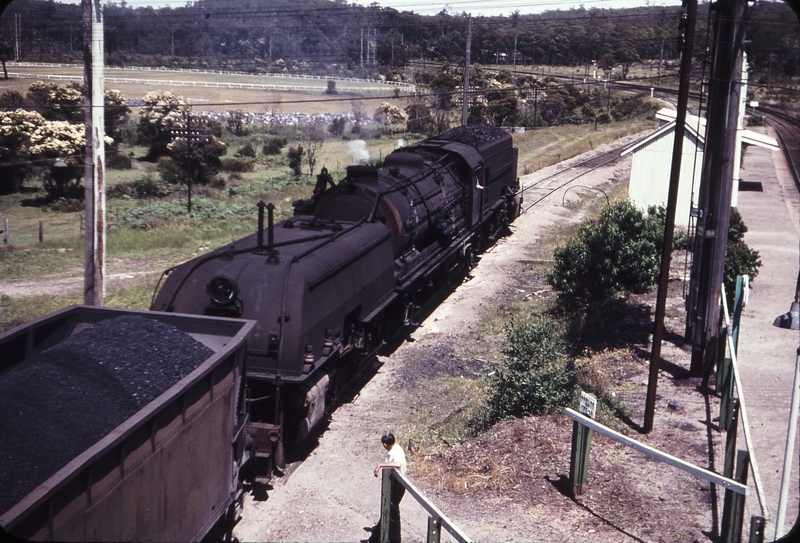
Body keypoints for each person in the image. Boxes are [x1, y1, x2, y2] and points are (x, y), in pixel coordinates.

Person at [365, 432, 406, 543]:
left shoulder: (396, 452)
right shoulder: (395, 448)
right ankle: (378, 537)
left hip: (398, 485)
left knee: (391, 511)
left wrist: (381, 464)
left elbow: (398, 464)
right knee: (390, 510)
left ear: (384, 444)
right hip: (393, 484)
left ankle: (382, 539)